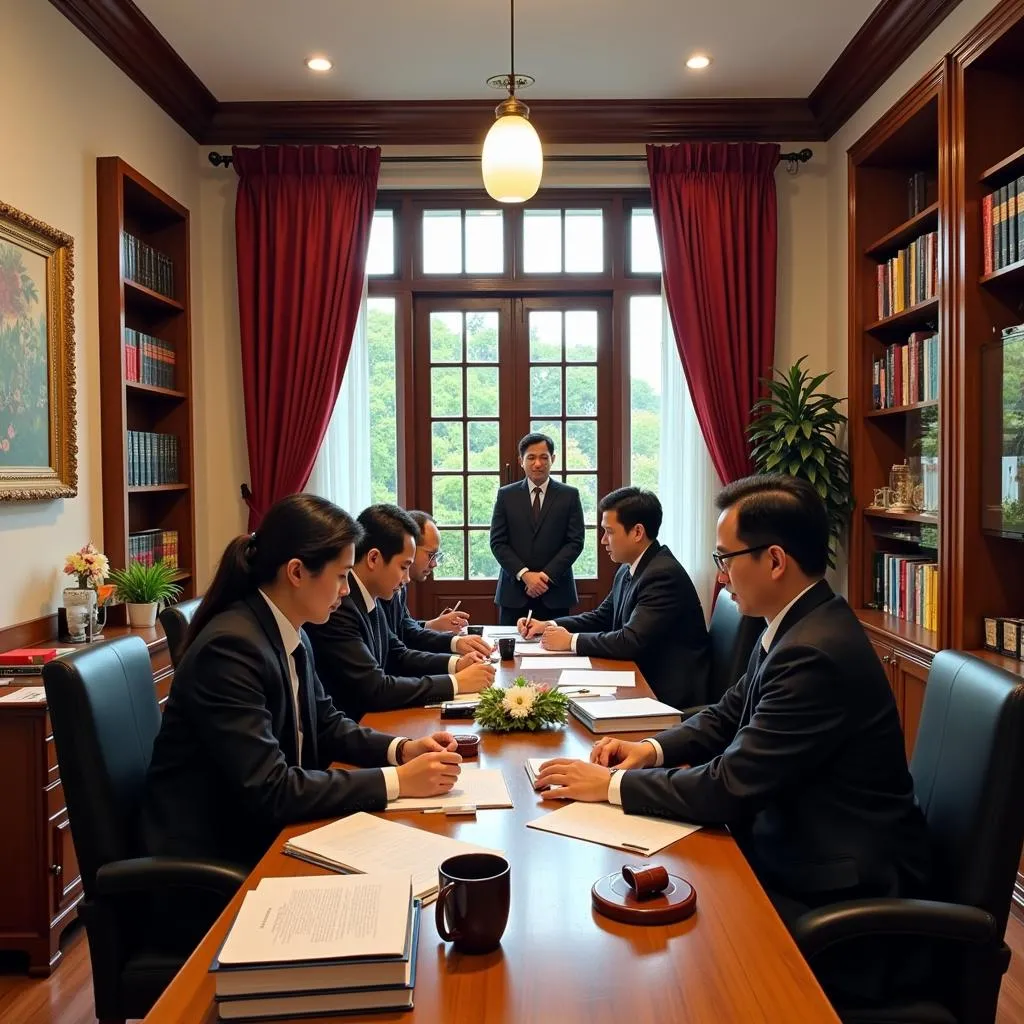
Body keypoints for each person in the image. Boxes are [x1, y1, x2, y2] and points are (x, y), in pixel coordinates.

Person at [535, 474, 931, 996]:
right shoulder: (795, 623)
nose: (720, 576)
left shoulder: (814, 652)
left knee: (668, 971)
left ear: (773, 560)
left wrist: (607, 788)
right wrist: (649, 749)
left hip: (833, 889)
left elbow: (730, 786)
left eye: (725, 559)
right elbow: (727, 714)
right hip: (790, 842)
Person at [140, 494, 464, 870]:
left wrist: (402, 749)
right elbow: (271, 788)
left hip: (266, 829)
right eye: (342, 575)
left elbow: (326, 723)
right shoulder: (230, 649)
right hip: (218, 854)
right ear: (296, 572)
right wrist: (397, 782)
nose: (346, 591)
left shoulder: (291, 631)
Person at [518, 487, 710, 708]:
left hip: (664, 688)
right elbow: (602, 616)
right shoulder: (630, 567)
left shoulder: (662, 575)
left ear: (637, 532)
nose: (603, 541)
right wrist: (547, 625)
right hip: (639, 673)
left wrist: (570, 641)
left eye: (609, 532)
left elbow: (630, 641)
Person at [306, 504, 495, 721]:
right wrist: (457, 682)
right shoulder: (341, 606)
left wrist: (457, 664)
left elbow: (397, 654)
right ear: (374, 559)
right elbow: (374, 688)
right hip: (357, 725)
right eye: (403, 567)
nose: (406, 579)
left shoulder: (370, 597)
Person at [489, 432, 585, 626]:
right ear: (521, 461)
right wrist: (525, 575)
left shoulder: (569, 495)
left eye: (544, 457)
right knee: (510, 651)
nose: (538, 463)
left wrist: (544, 576)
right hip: (514, 593)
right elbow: (498, 542)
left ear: (553, 459)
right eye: (531, 457)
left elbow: (575, 542)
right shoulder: (506, 496)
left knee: (556, 651)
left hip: (555, 592)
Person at [381, 510, 492, 658]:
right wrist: (455, 655)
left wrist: (433, 625)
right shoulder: (385, 585)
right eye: (430, 555)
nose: (434, 564)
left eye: (436, 556)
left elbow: (405, 629)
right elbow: (397, 652)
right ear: (410, 546)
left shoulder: (401, 583)